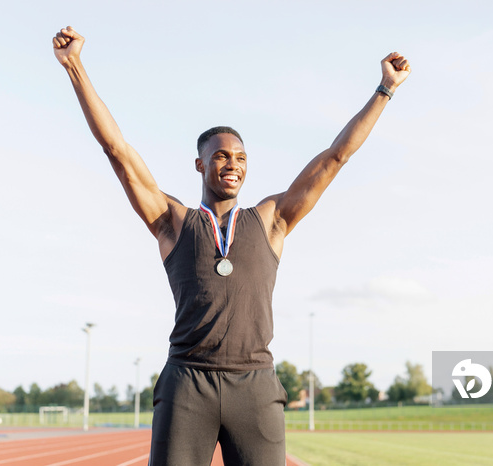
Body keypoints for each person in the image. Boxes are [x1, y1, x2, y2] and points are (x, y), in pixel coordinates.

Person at [52, 25, 410, 466]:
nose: (232, 163)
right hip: (188, 381)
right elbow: (117, 151)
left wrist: (384, 90)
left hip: (254, 385)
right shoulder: (173, 222)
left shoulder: (271, 220)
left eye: (240, 157)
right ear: (200, 163)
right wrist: (75, 67)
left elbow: (335, 157)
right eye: (221, 155)